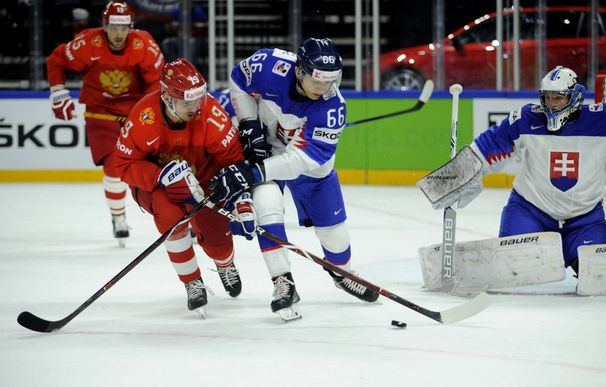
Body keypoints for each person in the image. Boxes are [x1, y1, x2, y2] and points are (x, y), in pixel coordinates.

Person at [210, 37, 379, 322]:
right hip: (269, 151)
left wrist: (255, 172)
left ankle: (343, 272)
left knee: (334, 234)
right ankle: (282, 282)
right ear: (299, 71)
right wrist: (249, 123)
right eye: (318, 81)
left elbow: (301, 161)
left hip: (313, 169)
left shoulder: (333, 107)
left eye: (331, 81)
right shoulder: (268, 65)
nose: (324, 88)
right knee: (267, 208)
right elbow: (238, 80)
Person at [465, 66, 606, 275]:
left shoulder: (604, 119)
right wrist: (462, 172)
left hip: (584, 219)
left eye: (557, 98)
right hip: (530, 211)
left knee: (598, 273)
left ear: (574, 96)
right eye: (547, 98)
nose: (551, 104)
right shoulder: (526, 118)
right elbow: (493, 143)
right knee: (514, 266)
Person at [112, 58, 253, 317]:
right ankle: (192, 282)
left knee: (218, 241)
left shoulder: (209, 113)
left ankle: (225, 264)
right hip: (160, 185)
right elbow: (122, 165)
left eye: (197, 99)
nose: (195, 107)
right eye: (186, 101)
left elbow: (234, 159)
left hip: (205, 177)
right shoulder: (143, 119)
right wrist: (159, 175)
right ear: (166, 97)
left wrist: (242, 198)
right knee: (170, 217)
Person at [46, 1, 165, 247]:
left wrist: (147, 109)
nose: (119, 34)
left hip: (136, 111)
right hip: (101, 111)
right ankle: (118, 216)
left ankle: (182, 217)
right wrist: (58, 92)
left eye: (124, 28)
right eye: (114, 27)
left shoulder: (143, 44)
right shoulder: (89, 42)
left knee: (163, 161)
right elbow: (57, 59)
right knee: (113, 163)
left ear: (131, 27)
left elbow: (157, 79)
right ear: (104, 26)